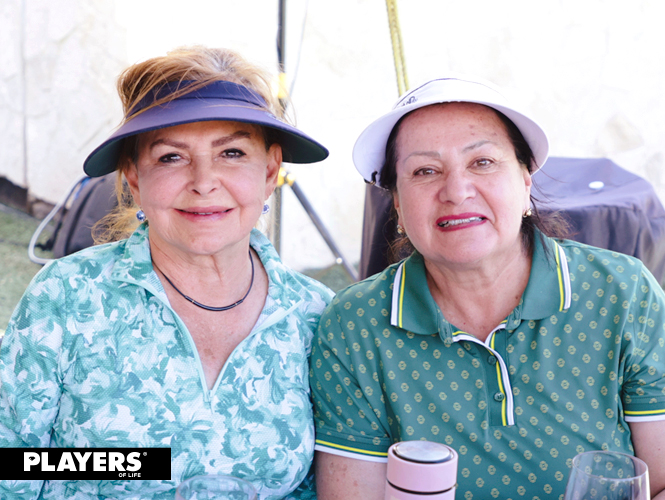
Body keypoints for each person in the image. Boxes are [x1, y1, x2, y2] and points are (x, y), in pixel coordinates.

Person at [0, 46, 332, 499]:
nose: (203, 180)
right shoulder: (68, 296)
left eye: (232, 152)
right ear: (134, 177)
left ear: (270, 170)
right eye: (171, 157)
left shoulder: (316, 316)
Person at [309, 76, 665, 499]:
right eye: (425, 171)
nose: (457, 192)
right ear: (399, 206)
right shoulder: (356, 326)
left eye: (482, 162)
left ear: (526, 182)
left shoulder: (621, 294)